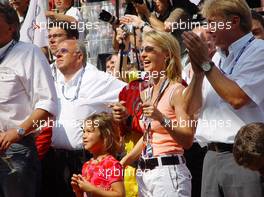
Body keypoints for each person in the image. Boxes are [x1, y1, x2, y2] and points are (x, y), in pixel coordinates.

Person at [182, 0, 264, 196]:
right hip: (211, 156)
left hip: (246, 158)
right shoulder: (216, 58)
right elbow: (189, 108)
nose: (209, 30)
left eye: (213, 22)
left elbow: (237, 98)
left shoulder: (259, 51)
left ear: (234, 21)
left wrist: (205, 63)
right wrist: (199, 73)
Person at [41, 39, 126, 197]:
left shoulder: (98, 79)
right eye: (57, 51)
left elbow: (129, 93)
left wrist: (123, 111)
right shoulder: (50, 77)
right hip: (55, 158)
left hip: (85, 158)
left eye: (64, 51)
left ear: (79, 57)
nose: (57, 54)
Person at [121, 30, 194, 197]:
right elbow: (149, 135)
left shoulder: (177, 90)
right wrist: (124, 161)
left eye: (149, 50)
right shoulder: (147, 92)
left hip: (168, 171)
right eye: (141, 50)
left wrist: (161, 117)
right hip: (145, 173)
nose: (143, 55)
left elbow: (187, 139)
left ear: (167, 54)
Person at [0, 2, 57, 197]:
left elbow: (47, 105)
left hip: (15, 149)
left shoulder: (28, 53)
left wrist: (18, 131)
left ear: (11, 27)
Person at [71, 112, 125, 197]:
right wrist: (79, 191)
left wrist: (92, 189)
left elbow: (120, 194)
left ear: (104, 135)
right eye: (83, 131)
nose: (84, 136)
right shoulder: (87, 165)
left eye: (89, 131)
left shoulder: (112, 164)